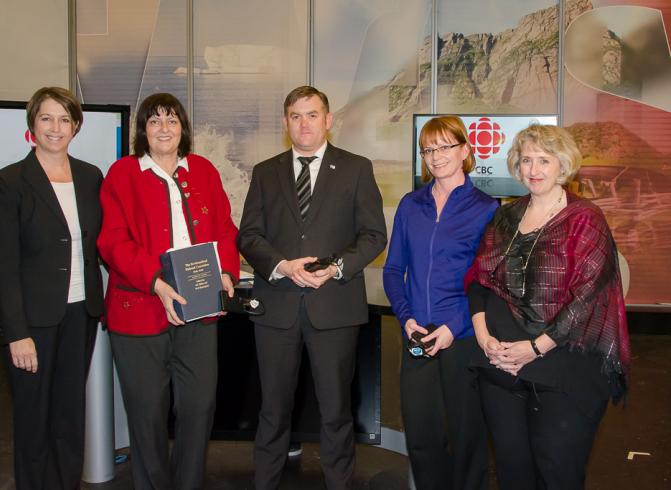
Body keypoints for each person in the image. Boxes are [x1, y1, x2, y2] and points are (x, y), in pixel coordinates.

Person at [237, 85, 387, 490]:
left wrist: (337, 267)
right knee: (272, 411)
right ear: (286, 123)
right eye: (296, 116)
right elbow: (249, 236)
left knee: (336, 411)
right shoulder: (266, 172)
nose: (304, 123)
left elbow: (374, 235)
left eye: (312, 114)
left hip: (334, 307)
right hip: (276, 309)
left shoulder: (356, 168)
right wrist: (282, 266)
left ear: (328, 119)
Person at [468, 124, 631, 490]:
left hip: (561, 372)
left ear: (563, 165)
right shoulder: (506, 216)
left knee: (557, 474)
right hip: (500, 369)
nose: (534, 169)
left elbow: (587, 299)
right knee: (513, 474)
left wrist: (535, 348)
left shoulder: (585, 219)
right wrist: (482, 335)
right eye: (526, 159)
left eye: (544, 159)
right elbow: (479, 280)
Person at [97, 93, 239, 490]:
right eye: (155, 120)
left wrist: (226, 270)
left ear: (183, 129)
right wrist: (156, 281)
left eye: (172, 120)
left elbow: (225, 228)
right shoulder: (122, 174)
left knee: (199, 407)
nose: (164, 128)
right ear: (143, 130)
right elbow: (112, 241)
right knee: (147, 413)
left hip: (198, 309)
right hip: (139, 310)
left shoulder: (204, 171)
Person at [0, 86, 104, 490]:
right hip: (33, 322)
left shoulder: (91, 177)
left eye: (65, 119)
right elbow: (3, 265)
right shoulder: (11, 182)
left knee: (70, 417)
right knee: (34, 420)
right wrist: (15, 333)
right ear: (33, 125)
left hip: (81, 314)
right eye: (46, 118)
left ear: (76, 126)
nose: (56, 128)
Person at [382, 116, 497, 490]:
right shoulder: (411, 204)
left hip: (463, 336)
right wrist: (406, 319)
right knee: (421, 433)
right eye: (428, 149)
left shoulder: (487, 208)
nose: (436, 156)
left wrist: (453, 326)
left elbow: (489, 282)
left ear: (465, 150)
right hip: (417, 334)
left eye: (445, 146)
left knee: (467, 437)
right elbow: (393, 269)